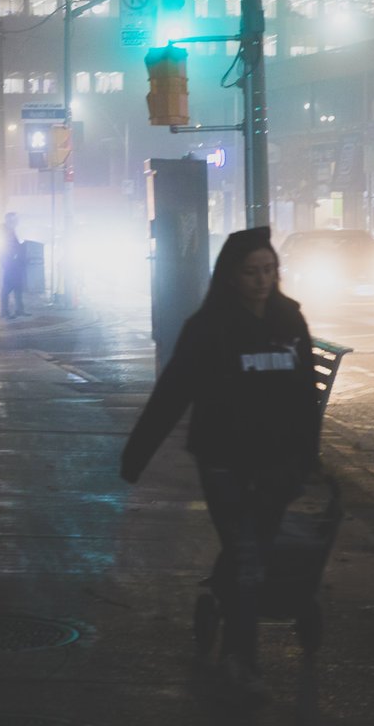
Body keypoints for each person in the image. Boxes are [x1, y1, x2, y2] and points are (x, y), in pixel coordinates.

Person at [119, 227, 319, 704]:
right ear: (230, 276)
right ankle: (240, 661)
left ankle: (218, 610)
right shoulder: (208, 328)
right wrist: (136, 455)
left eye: (268, 270)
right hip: (226, 463)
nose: (262, 281)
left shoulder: (290, 321)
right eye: (251, 272)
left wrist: (304, 461)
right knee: (247, 557)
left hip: (277, 467)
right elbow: (173, 392)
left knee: (251, 553)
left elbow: (304, 399)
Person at [0, 211, 28, 319]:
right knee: (8, 287)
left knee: (17, 286)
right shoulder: (4, 231)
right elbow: (5, 247)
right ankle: (4, 312)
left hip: (14, 262)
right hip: (9, 262)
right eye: (15, 219)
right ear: (10, 220)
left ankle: (19, 309)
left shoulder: (10, 230)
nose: (17, 221)